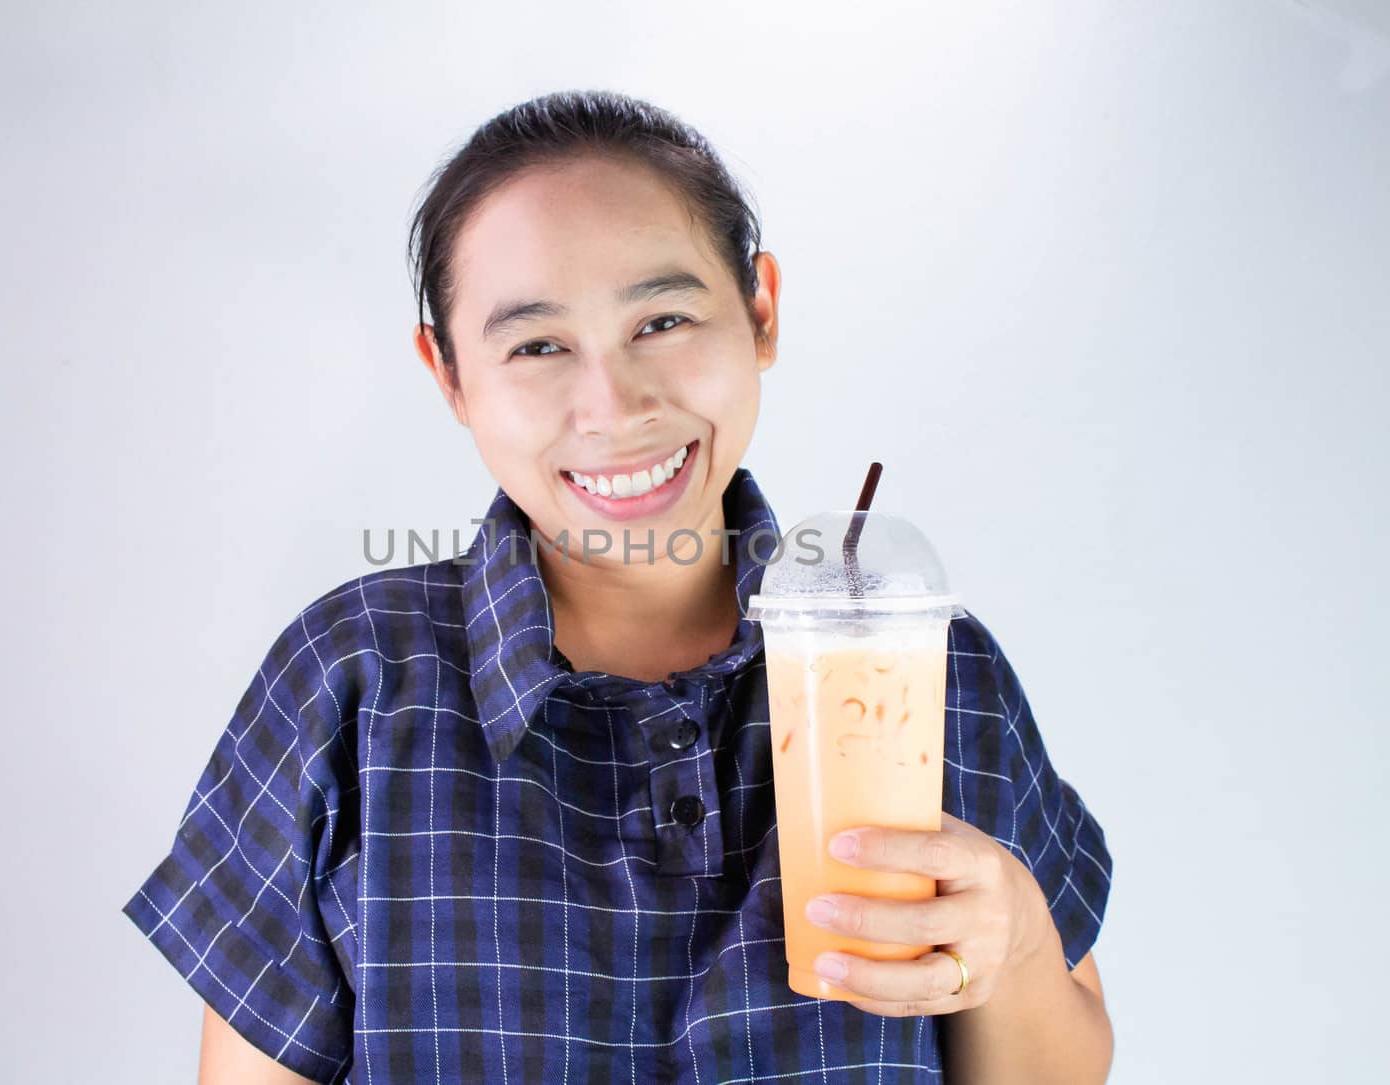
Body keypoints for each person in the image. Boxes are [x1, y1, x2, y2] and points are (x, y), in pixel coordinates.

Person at [124, 89, 1115, 1084]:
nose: (613, 404)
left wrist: (1019, 942)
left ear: (759, 310)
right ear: (450, 375)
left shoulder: (925, 669)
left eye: (664, 318)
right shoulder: (351, 682)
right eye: (538, 344)